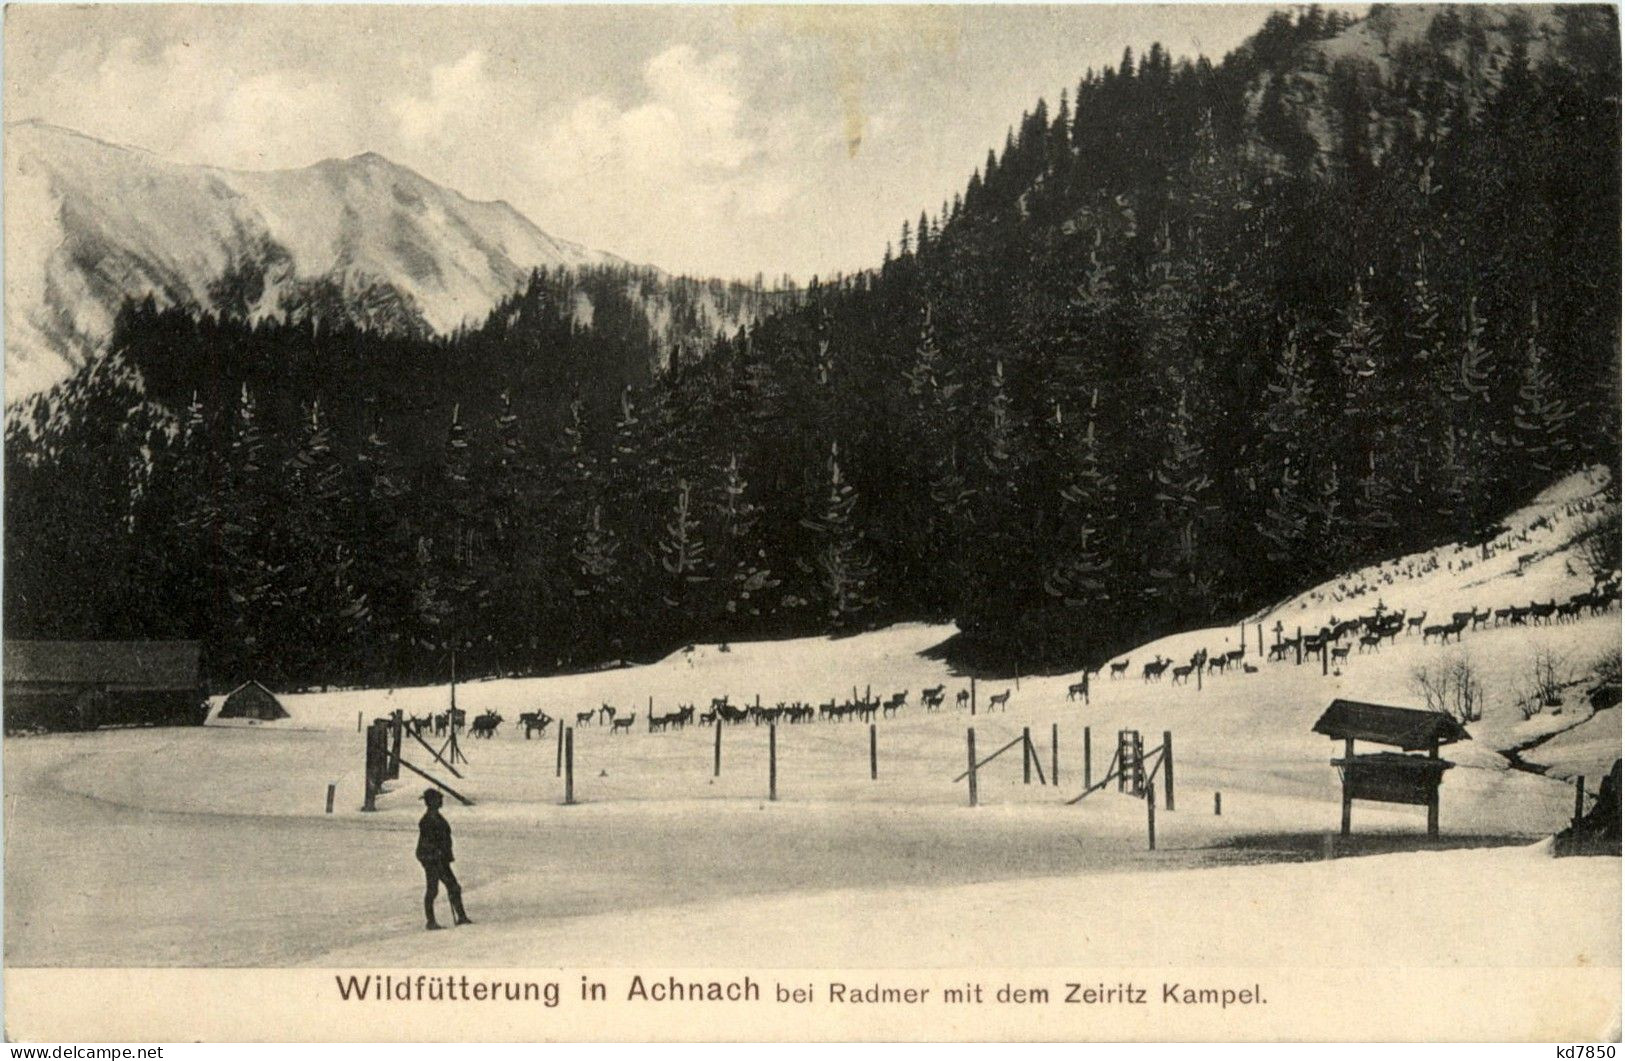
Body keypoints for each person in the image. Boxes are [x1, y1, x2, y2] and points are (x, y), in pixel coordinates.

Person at [416, 789, 471, 930]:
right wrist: (436, 855)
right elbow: (428, 843)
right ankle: (433, 921)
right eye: (438, 799)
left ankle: (459, 917)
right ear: (431, 802)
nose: (441, 801)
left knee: (449, 887)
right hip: (433, 860)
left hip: (439, 859)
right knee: (436, 889)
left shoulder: (435, 817)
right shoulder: (428, 820)